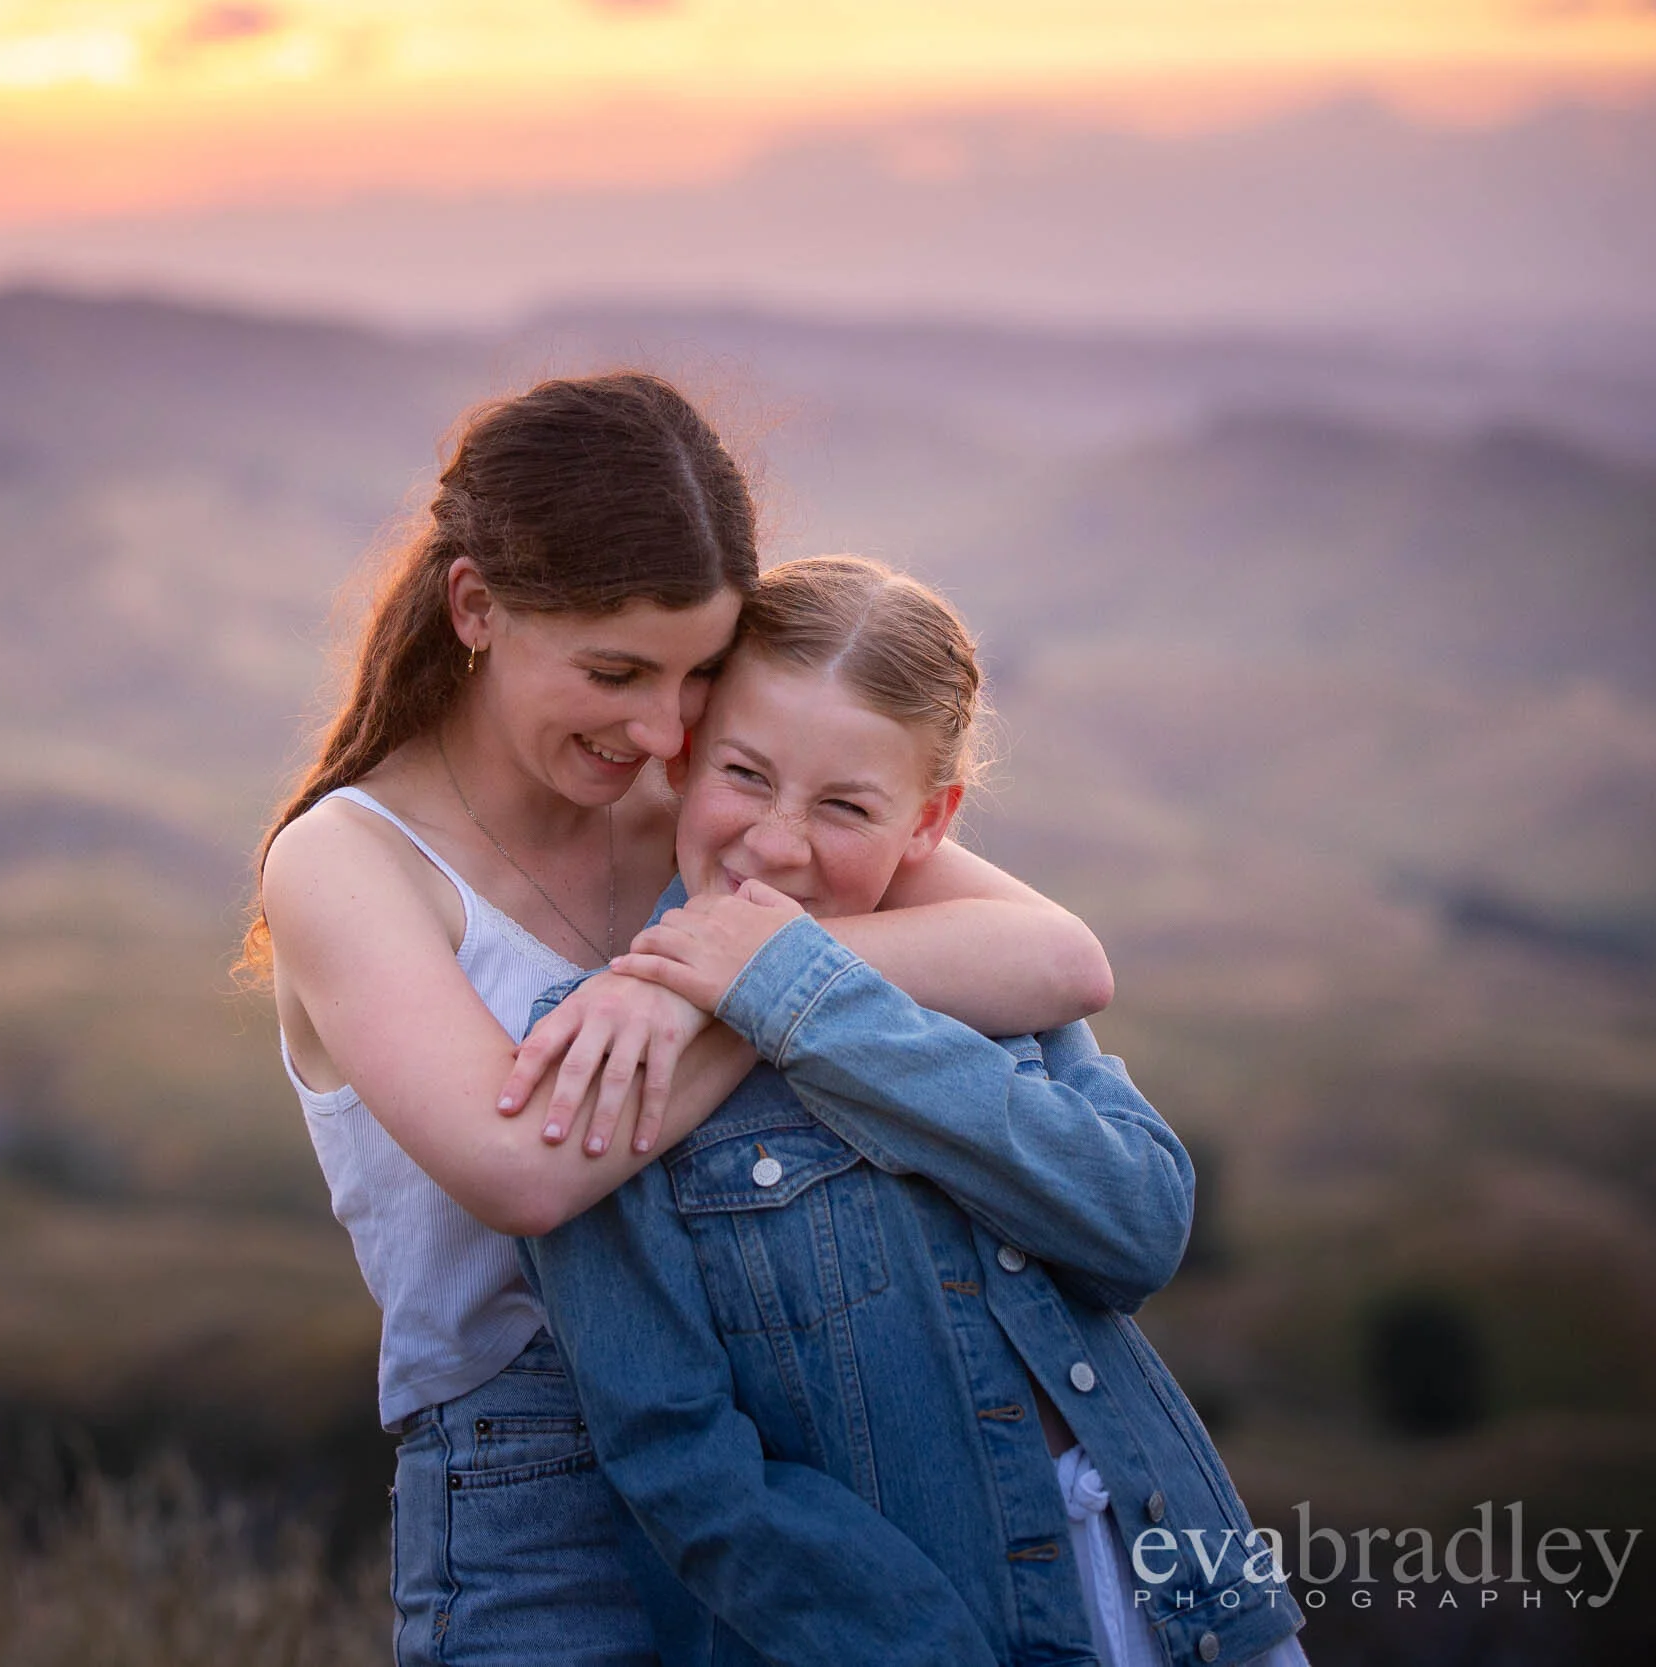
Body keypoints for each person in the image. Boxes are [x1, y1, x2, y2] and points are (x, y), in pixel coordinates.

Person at [247, 374, 1116, 1665]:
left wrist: (704, 972)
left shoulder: (701, 796)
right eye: (615, 670)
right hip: (537, 1493)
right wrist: (720, 990)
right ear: (476, 605)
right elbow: (523, 1166)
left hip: (807, 1457)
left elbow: (1054, 954)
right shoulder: (349, 861)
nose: (661, 726)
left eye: (700, 673)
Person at [514, 555, 1310, 1666]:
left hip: (1198, 1611)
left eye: (845, 805)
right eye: (745, 775)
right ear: (684, 759)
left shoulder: (972, 979)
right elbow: (680, 1462)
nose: (779, 844)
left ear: (930, 820)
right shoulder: (604, 1044)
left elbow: (1136, 1224)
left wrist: (802, 994)